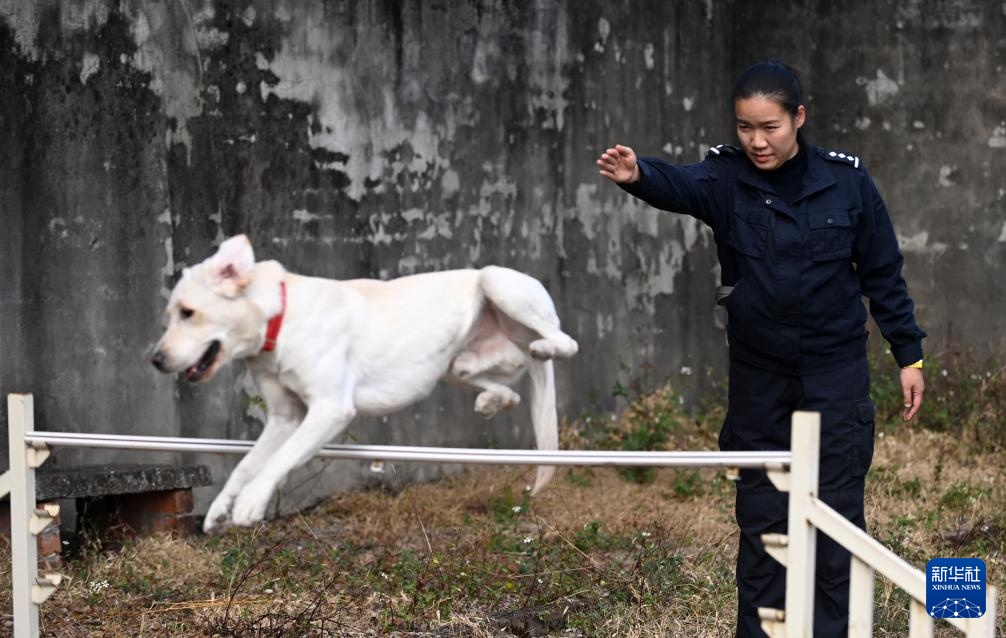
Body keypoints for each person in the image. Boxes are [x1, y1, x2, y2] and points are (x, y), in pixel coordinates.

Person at [596, 61, 926, 637]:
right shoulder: (728, 178)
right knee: (763, 520)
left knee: (836, 518)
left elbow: (883, 273)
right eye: (745, 127)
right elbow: (682, 184)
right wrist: (638, 174)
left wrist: (909, 355)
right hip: (760, 380)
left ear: (798, 118)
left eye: (770, 127)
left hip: (834, 374)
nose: (757, 141)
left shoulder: (846, 182)